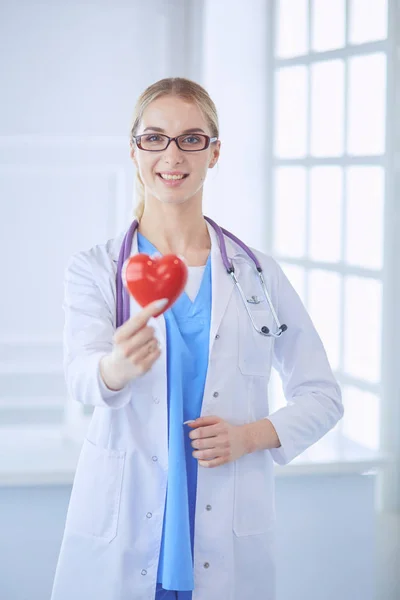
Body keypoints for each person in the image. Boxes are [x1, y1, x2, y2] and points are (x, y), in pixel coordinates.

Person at [50, 77, 343, 600]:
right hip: (125, 529)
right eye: (155, 137)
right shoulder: (96, 269)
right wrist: (114, 368)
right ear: (135, 149)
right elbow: (81, 376)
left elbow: (322, 396)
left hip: (225, 532)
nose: (172, 154)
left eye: (191, 138)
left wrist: (249, 436)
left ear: (214, 152)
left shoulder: (257, 274)